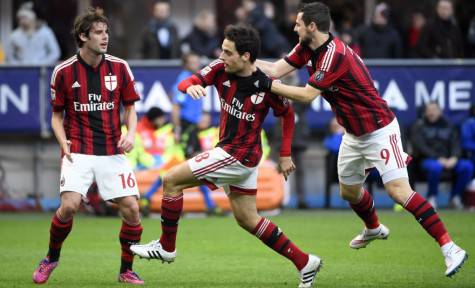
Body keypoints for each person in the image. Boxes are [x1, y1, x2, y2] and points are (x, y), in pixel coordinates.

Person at [254, 2, 467, 277]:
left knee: (398, 191)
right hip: (353, 134)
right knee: (349, 192)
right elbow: (274, 69)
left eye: (298, 23)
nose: (294, 27)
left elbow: (306, 95)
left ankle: (450, 247)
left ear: (312, 26)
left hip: (379, 129)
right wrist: (243, 62)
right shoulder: (306, 47)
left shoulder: (336, 55)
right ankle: (374, 227)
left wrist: (265, 85)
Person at [131, 25, 322, 288]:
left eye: (227, 52)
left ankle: (166, 247)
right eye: (222, 49)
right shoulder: (220, 68)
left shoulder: (266, 85)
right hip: (237, 154)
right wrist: (191, 88)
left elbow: (287, 116)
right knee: (247, 219)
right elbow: (189, 80)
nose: (221, 56)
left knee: (172, 180)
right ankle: (305, 262)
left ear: (245, 56)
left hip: (237, 155)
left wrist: (285, 154)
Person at [32, 8, 144, 285]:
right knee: (69, 206)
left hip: (112, 150)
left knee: (132, 209)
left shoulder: (119, 67)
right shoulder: (63, 71)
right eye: (98, 32)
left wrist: (131, 132)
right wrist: (63, 142)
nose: (104, 37)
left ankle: (126, 270)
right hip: (78, 149)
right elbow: (56, 116)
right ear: (83, 36)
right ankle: (51, 258)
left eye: (106, 32)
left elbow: (130, 108)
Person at [411, 102, 474, 209]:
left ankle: (455, 197)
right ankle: (432, 197)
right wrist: (438, 158)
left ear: (440, 111)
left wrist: (454, 157)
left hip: (450, 160)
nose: (431, 113)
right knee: (435, 167)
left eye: (434, 110)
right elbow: (420, 147)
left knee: (467, 166)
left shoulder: (449, 125)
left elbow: (456, 143)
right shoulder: (419, 126)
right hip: (427, 160)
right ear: (425, 112)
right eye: (429, 110)